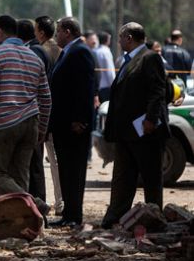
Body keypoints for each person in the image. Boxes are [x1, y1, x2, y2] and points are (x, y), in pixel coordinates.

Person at [0, 15, 52, 216]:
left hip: (5, 122)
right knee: (19, 176)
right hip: (31, 122)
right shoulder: (34, 57)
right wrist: (42, 128)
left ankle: (32, 203)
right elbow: (46, 98)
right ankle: (24, 223)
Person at [101, 23, 169, 229]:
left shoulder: (150, 58)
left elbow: (157, 91)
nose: (119, 41)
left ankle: (154, 218)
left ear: (129, 37)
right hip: (126, 133)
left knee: (150, 177)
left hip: (145, 131)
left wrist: (150, 119)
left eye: (121, 37)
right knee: (122, 176)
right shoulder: (128, 60)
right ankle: (115, 217)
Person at [48, 17, 96, 228]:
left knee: (74, 171)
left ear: (67, 32)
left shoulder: (80, 52)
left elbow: (85, 89)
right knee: (66, 170)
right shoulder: (67, 52)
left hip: (75, 126)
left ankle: (74, 216)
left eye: (58, 31)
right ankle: (69, 214)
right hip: (63, 125)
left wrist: (80, 119)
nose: (56, 35)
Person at [17, 19, 51, 207]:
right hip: (34, 115)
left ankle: (38, 205)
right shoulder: (37, 50)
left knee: (34, 166)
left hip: (33, 116)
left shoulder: (34, 51)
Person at [34, 15, 63, 213]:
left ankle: (58, 202)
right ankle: (61, 200)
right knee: (56, 162)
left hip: (44, 113)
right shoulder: (61, 51)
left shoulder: (40, 52)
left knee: (50, 162)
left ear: (41, 33)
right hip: (57, 112)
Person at [94, 31, 116, 105]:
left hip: (97, 87)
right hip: (106, 87)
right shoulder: (106, 52)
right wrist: (114, 85)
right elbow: (110, 71)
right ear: (106, 40)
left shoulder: (95, 51)